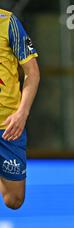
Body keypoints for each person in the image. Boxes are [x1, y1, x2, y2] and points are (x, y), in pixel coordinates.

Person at [0, 9, 39, 210]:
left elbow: (32, 73)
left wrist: (22, 113)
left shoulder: (8, 22)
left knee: (14, 200)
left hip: (8, 126)